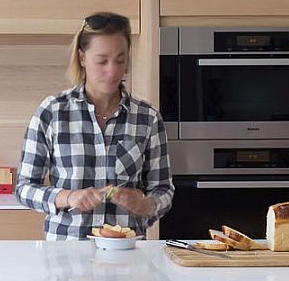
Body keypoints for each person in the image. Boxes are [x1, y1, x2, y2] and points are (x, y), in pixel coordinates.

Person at [15, 12, 174, 240]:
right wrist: (68, 197)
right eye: (102, 61)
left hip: (128, 259)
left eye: (120, 60)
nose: (112, 71)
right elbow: (24, 188)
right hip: (66, 260)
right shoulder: (53, 112)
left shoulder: (147, 118)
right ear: (82, 58)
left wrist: (147, 204)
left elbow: (164, 190)